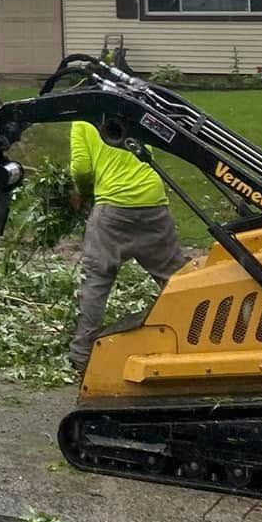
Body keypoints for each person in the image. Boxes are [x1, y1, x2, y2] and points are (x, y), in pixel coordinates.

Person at [69, 117, 190, 378]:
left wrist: (83, 192)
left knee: (96, 279)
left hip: (112, 208)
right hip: (152, 202)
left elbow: (81, 168)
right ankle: (194, 333)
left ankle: (82, 354)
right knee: (174, 276)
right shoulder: (132, 108)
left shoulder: (82, 119)